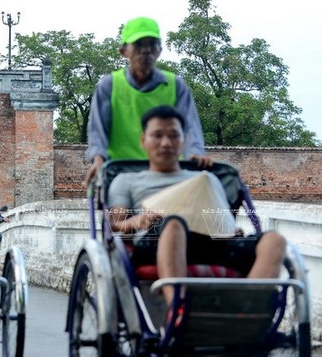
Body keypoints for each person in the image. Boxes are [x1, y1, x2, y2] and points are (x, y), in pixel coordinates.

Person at [107, 105, 286, 306]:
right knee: (174, 224)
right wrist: (138, 221)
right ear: (143, 140)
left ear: (183, 140)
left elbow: (219, 220)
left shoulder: (207, 177)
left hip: (212, 245)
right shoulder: (126, 180)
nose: (166, 143)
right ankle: (179, 309)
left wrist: (227, 229)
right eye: (157, 135)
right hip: (156, 243)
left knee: (274, 240)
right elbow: (116, 223)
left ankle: (249, 309)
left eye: (174, 136)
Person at [85, 16, 212, 184]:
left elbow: (190, 126)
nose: (146, 51)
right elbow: (98, 130)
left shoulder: (175, 85)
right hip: (121, 172)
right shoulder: (110, 85)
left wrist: (195, 152)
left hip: (167, 171)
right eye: (138, 45)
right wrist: (98, 158)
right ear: (124, 51)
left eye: (152, 44)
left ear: (159, 49)